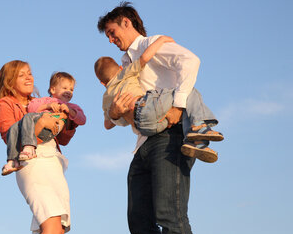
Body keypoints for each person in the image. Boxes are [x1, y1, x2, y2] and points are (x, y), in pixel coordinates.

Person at [97, 2, 209, 234]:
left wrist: (178, 107)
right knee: (139, 222)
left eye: (111, 32)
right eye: (107, 37)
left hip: (169, 135)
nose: (111, 40)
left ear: (125, 21)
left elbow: (192, 61)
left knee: (169, 214)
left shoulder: (151, 45)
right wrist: (113, 112)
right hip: (142, 144)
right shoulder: (125, 66)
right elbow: (119, 117)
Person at [0, 60, 79, 234]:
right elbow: (9, 135)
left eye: (30, 73)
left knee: (58, 232)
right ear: (10, 81)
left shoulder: (41, 102)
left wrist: (65, 120)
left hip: (54, 163)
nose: (29, 78)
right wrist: (41, 123)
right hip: (31, 164)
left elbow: (64, 138)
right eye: (22, 75)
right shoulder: (6, 103)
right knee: (50, 228)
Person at [94, 47, 223, 163]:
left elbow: (107, 124)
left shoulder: (106, 98)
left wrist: (115, 113)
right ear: (121, 68)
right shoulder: (124, 73)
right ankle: (199, 126)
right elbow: (145, 58)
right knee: (186, 92)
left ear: (102, 83)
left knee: (181, 112)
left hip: (144, 128)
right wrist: (162, 40)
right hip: (146, 108)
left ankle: (196, 142)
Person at [1, 72, 86, 175]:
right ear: (53, 89)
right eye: (65, 88)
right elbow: (31, 108)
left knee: (27, 118)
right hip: (37, 123)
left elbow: (82, 120)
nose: (68, 91)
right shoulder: (44, 100)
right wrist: (47, 106)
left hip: (50, 129)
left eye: (71, 89)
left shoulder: (71, 106)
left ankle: (29, 147)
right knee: (14, 127)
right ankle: (12, 161)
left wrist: (70, 111)